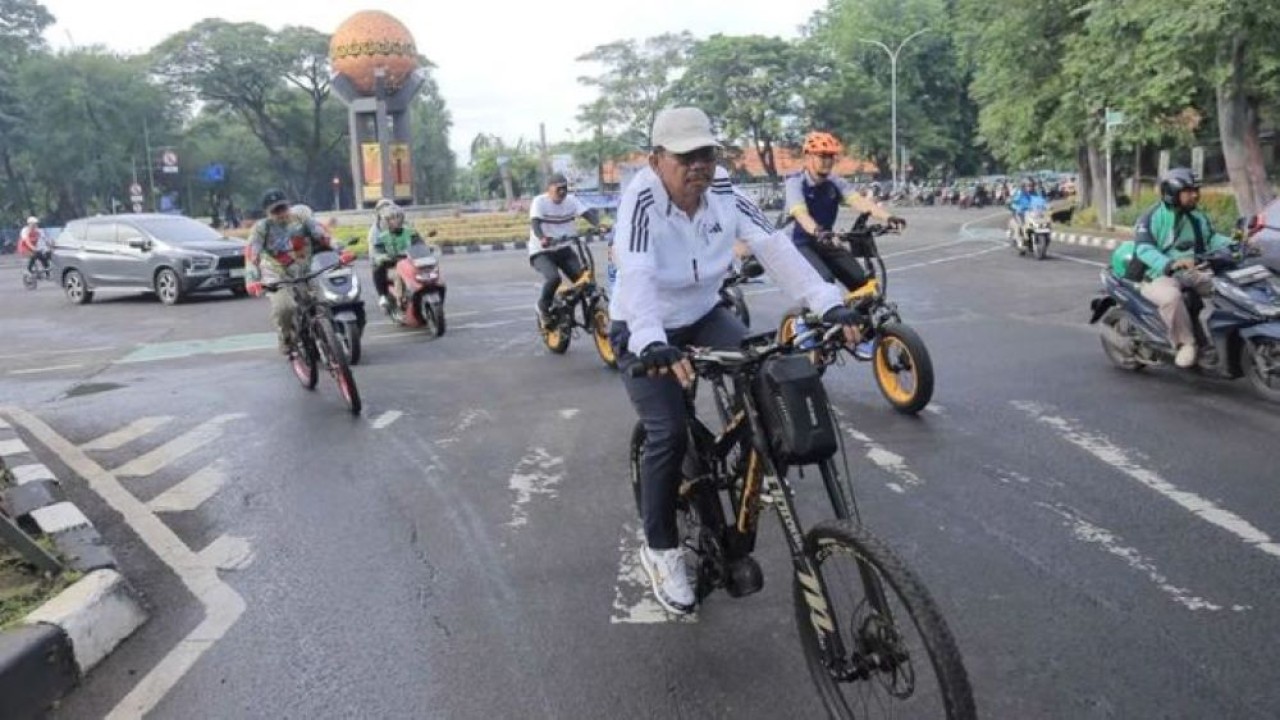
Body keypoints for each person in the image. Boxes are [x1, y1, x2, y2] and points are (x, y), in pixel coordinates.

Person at [610, 107, 863, 616]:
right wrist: (651, 340)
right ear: (657, 159)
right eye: (685, 156)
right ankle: (661, 550)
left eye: (705, 153)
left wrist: (826, 300)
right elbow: (635, 272)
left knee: (769, 377)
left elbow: (773, 245)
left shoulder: (724, 189)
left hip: (705, 313)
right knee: (669, 432)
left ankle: (747, 467)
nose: (698, 166)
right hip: (646, 326)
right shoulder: (640, 199)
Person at [1128, 168, 1237, 368]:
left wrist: (1237, 244)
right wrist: (1170, 263)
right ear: (1172, 193)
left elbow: (1211, 239)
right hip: (1158, 275)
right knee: (1171, 298)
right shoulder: (1151, 217)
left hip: (1193, 272)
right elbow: (1144, 249)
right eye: (1188, 191)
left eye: (1196, 190)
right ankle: (1186, 343)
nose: (1195, 195)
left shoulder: (1196, 216)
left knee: (1226, 286)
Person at [784, 132, 906, 294]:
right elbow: (801, 214)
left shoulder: (835, 182)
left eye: (831, 156)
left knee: (862, 282)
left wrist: (888, 217)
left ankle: (858, 319)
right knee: (825, 282)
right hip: (798, 244)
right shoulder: (795, 183)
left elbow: (858, 201)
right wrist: (817, 230)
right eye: (822, 156)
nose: (828, 161)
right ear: (808, 157)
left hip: (824, 240)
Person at [244, 189, 347, 353]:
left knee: (324, 302)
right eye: (275, 211)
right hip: (277, 274)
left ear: (289, 206)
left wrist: (341, 250)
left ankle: (331, 337)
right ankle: (287, 338)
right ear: (267, 213)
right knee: (285, 308)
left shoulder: (302, 219)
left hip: (305, 271)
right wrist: (252, 280)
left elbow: (322, 236)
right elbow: (252, 254)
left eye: (283, 208)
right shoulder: (261, 228)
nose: (281, 213)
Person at [529, 173, 606, 328]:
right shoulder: (540, 201)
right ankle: (543, 308)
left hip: (564, 249)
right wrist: (542, 238)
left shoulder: (571, 201)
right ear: (549, 189)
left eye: (565, 188)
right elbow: (535, 223)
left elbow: (587, 214)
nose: (562, 192)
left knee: (584, 281)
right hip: (542, 252)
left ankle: (571, 306)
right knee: (553, 279)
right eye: (559, 189)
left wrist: (599, 225)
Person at [371, 205, 423, 308]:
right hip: (393, 265)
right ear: (386, 221)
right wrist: (384, 257)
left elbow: (420, 244)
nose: (396, 221)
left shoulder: (411, 232)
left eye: (398, 217)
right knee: (392, 272)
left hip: (411, 262)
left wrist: (427, 249)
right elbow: (377, 252)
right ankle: (395, 299)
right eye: (392, 218)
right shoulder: (382, 237)